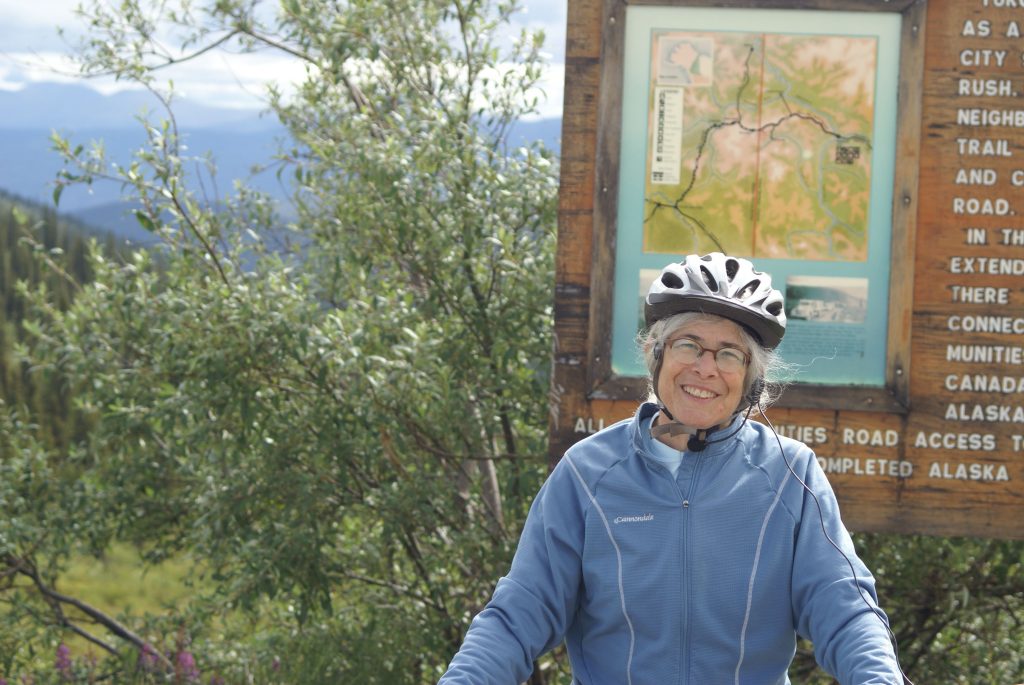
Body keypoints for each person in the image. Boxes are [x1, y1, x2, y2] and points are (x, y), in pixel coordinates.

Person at [439, 253, 906, 684]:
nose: (706, 368)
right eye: (689, 345)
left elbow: (844, 608)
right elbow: (520, 612)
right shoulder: (587, 472)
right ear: (656, 354)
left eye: (730, 353)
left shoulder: (789, 474)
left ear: (751, 380)